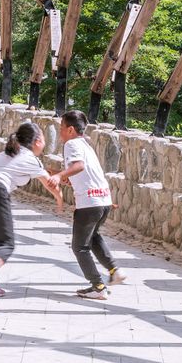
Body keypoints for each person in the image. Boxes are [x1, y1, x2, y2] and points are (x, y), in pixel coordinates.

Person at [0, 120, 63, 307]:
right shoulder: (30, 159)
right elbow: (49, 183)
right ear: (37, 142)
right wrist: (60, 201)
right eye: (42, 137)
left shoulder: (9, 152)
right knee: (6, 243)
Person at [47, 109, 126, 301]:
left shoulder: (71, 144)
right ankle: (114, 270)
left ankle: (98, 286)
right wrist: (64, 175)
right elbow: (84, 172)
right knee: (94, 237)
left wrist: (59, 176)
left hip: (89, 203)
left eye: (62, 128)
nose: (61, 132)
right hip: (103, 200)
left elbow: (79, 166)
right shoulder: (85, 145)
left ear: (71, 130)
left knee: (79, 247)